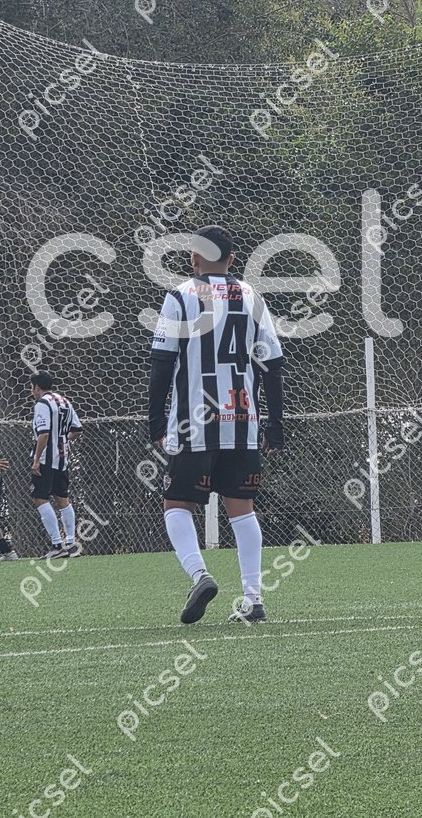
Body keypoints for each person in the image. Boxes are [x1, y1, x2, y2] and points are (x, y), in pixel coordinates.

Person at [148, 225, 285, 624]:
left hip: (194, 422)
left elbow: (161, 364)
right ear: (232, 259)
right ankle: (253, 599)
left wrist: (155, 421)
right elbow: (273, 366)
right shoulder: (252, 296)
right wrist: (275, 425)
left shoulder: (180, 296)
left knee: (177, 505)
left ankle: (200, 575)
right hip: (242, 419)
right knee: (242, 510)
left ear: (193, 258)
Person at [29, 373, 83, 559]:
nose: (32, 391)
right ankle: (71, 543)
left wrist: (37, 459)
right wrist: (63, 441)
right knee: (62, 498)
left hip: (46, 459)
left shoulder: (42, 404)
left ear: (36, 387)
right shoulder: (64, 401)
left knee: (40, 498)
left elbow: (43, 434)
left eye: (32, 388)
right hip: (63, 458)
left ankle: (56, 545)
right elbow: (77, 429)